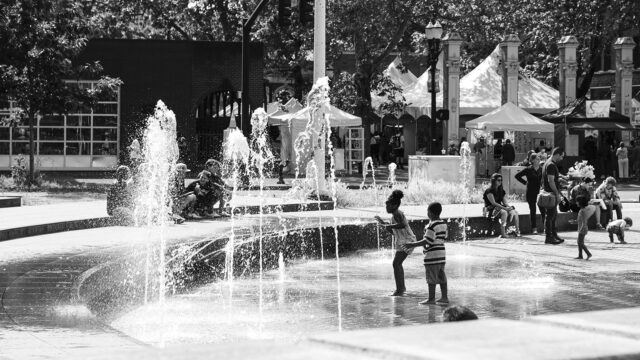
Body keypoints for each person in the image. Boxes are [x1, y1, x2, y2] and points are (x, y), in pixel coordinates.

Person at [403, 202, 449, 305]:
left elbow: (427, 240)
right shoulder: (443, 224)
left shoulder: (431, 225)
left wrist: (412, 244)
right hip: (442, 254)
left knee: (431, 277)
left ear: (430, 213)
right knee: (442, 276)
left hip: (432, 256)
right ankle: (444, 297)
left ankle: (431, 299)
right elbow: (444, 237)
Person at [374, 190, 416, 296]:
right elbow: (393, 232)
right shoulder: (394, 216)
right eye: (386, 205)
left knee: (396, 264)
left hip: (407, 240)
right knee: (397, 264)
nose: (387, 208)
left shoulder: (398, 213)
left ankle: (400, 289)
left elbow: (403, 224)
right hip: (403, 240)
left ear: (395, 205)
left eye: (388, 205)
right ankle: (401, 288)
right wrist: (383, 223)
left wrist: (389, 226)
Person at [483, 173, 520, 238]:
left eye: (501, 180)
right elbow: (493, 203)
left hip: (499, 208)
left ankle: (517, 231)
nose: (500, 182)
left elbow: (505, 203)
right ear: (494, 181)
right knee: (504, 212)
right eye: (498, 180)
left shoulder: (501, 190)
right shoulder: (489, 191)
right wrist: (505, 209)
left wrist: (509, 207)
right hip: (490, 209)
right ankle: (503, 233)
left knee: (515, 212)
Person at [515, 153, 544, 234]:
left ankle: (546, 227)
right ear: (533, 160)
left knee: (543, 210)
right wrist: (525, 182)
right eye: (537, 159)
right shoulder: (528, 169)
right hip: (531, 192)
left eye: (539, 159)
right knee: (533, 210)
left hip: (540, 192)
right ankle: (534, 228)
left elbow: (545, 179)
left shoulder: (542, 169)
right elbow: (517, 176)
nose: (539, 160)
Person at [541, 147, 565, 244]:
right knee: (550, 216)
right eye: (562, 156)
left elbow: (553, 178)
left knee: (554, 215)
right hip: (551, 194)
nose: (562, 158)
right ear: (557, 155)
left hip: (550, 193)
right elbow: (550, 181)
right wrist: (557, 193)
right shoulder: (551, 164)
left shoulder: (548, 162)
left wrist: (561, 179)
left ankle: (554, 234)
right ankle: (549, 237)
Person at [574, 195, 593, 260]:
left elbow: (584, 221)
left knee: (580, 242)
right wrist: (574, 222)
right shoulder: (582, 210)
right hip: (582, 228)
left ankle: (588, 254)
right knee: (580, 242)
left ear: (580, 202)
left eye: (577, 201)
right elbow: (579, 220)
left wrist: (582, 228)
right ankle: (580, 255)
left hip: (583, 229)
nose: (576, 203)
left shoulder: (583, 211)